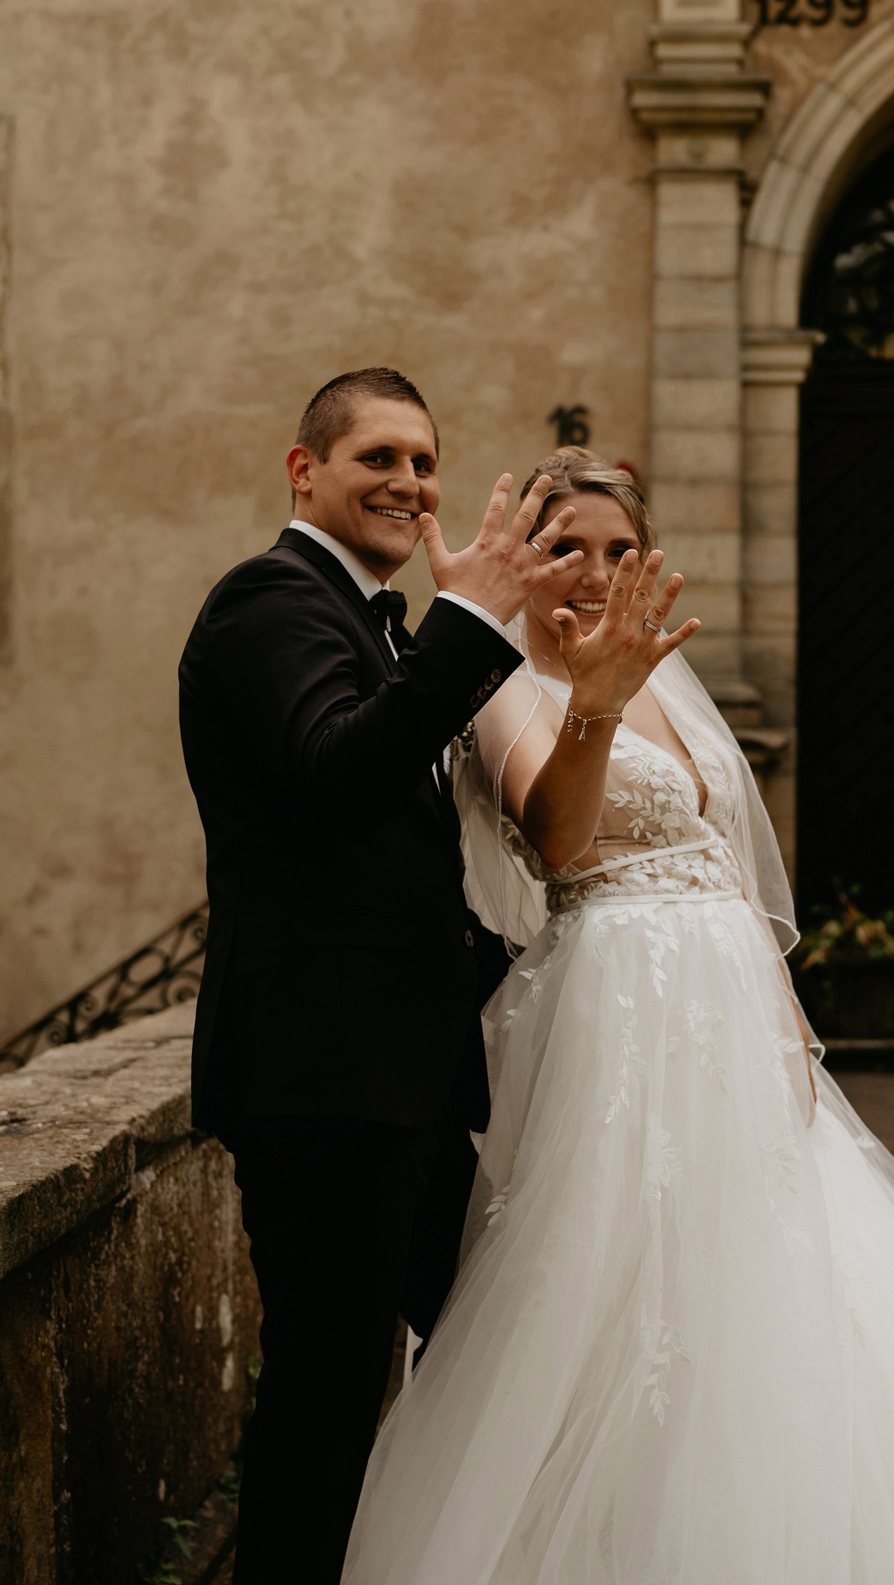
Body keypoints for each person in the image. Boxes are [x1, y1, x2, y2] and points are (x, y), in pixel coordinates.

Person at [343, 448, 894, 1584]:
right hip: (618, 1000)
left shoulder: (656, 675)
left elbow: (723, 861)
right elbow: (557, 840)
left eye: (616, 551)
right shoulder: (499, 683)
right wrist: (589, 704)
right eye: (564, 550)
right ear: (521, 557)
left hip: (730, 1006)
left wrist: (785, 1022)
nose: (592, 575)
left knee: (779, 1259)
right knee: (618, 1263)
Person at [176, 370, 587, 1585]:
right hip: (323, 1076)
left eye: (424, 461)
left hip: (396, 1075)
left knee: (467, 1353)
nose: (410, 483)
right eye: (378, 459)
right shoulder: (268, 600)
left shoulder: (375, 622)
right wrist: (470, 623)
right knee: (327, 1392)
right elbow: (335, 771)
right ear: (303, 471)